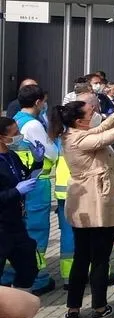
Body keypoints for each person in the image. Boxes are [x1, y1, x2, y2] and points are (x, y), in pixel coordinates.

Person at [54, 90, 114, 318]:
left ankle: (73, 308)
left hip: (83, 202)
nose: (94, 113)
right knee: (100, 257)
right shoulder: (80, 139)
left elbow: (102, 128)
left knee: (81, 256)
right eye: (89, 111)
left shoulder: (74, 133)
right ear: (79, 120)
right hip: (97, 201)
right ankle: (99, 307)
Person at [6, 85, 61, 294]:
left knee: (20, 231)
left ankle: (12, 275)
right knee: (37, 233)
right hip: (38, 183)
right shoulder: (33, 125)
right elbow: (53, 153)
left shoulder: (17, 120)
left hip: (21, 182)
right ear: (39, 102)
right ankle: (37, 278)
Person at [0, 116, 46, 318]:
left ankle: (21, 316)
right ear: (2, 136)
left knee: (28, 266)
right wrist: (16, 192)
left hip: (16, 224)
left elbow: (24, 176)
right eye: (14, 132)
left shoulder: (11, 156)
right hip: (1, 227)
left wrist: (37, 163)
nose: (18, 136)